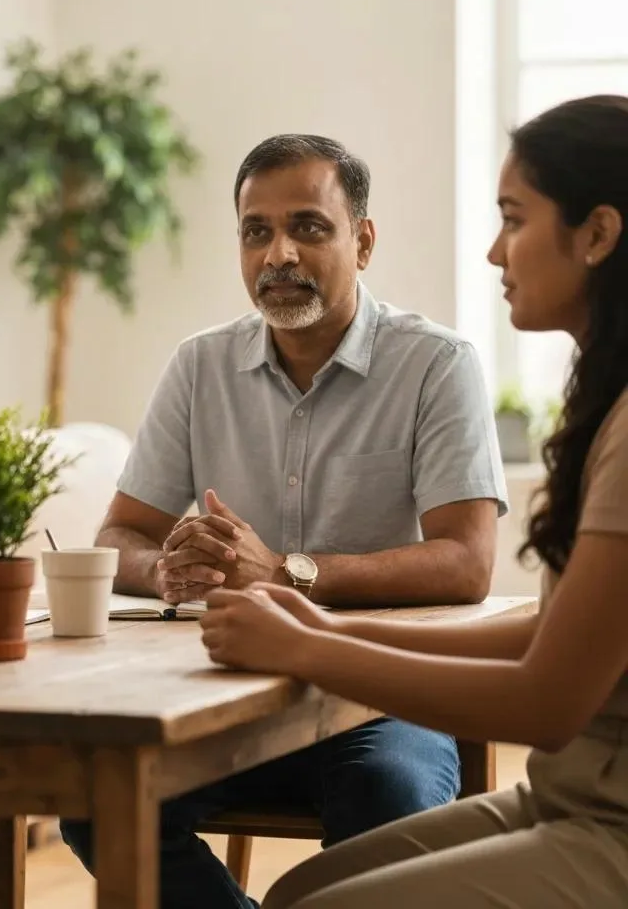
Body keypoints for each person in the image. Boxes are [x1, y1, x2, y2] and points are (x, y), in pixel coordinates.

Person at [59, 134, 507, 909]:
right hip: (221, 695)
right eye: (256, 231)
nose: (278, 255)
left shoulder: (438, 364)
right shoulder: (198, 366)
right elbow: (119, 537)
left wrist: (287, 572)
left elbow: (466, 563)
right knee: (96, 802)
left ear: (362, 242)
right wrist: (165, 569)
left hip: (378, 698)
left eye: (308, 227)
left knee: (386, 792)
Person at [201, 94, 628, 908]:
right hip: (572, 797)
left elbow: (547, 698)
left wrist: (310, 650)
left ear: (599, 234)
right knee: (299, 895)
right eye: (255, 230)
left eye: (514, 219)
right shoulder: (606, 399)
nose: (495, 251)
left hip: (612, 822)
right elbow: (556, 632)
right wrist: (328, 626)